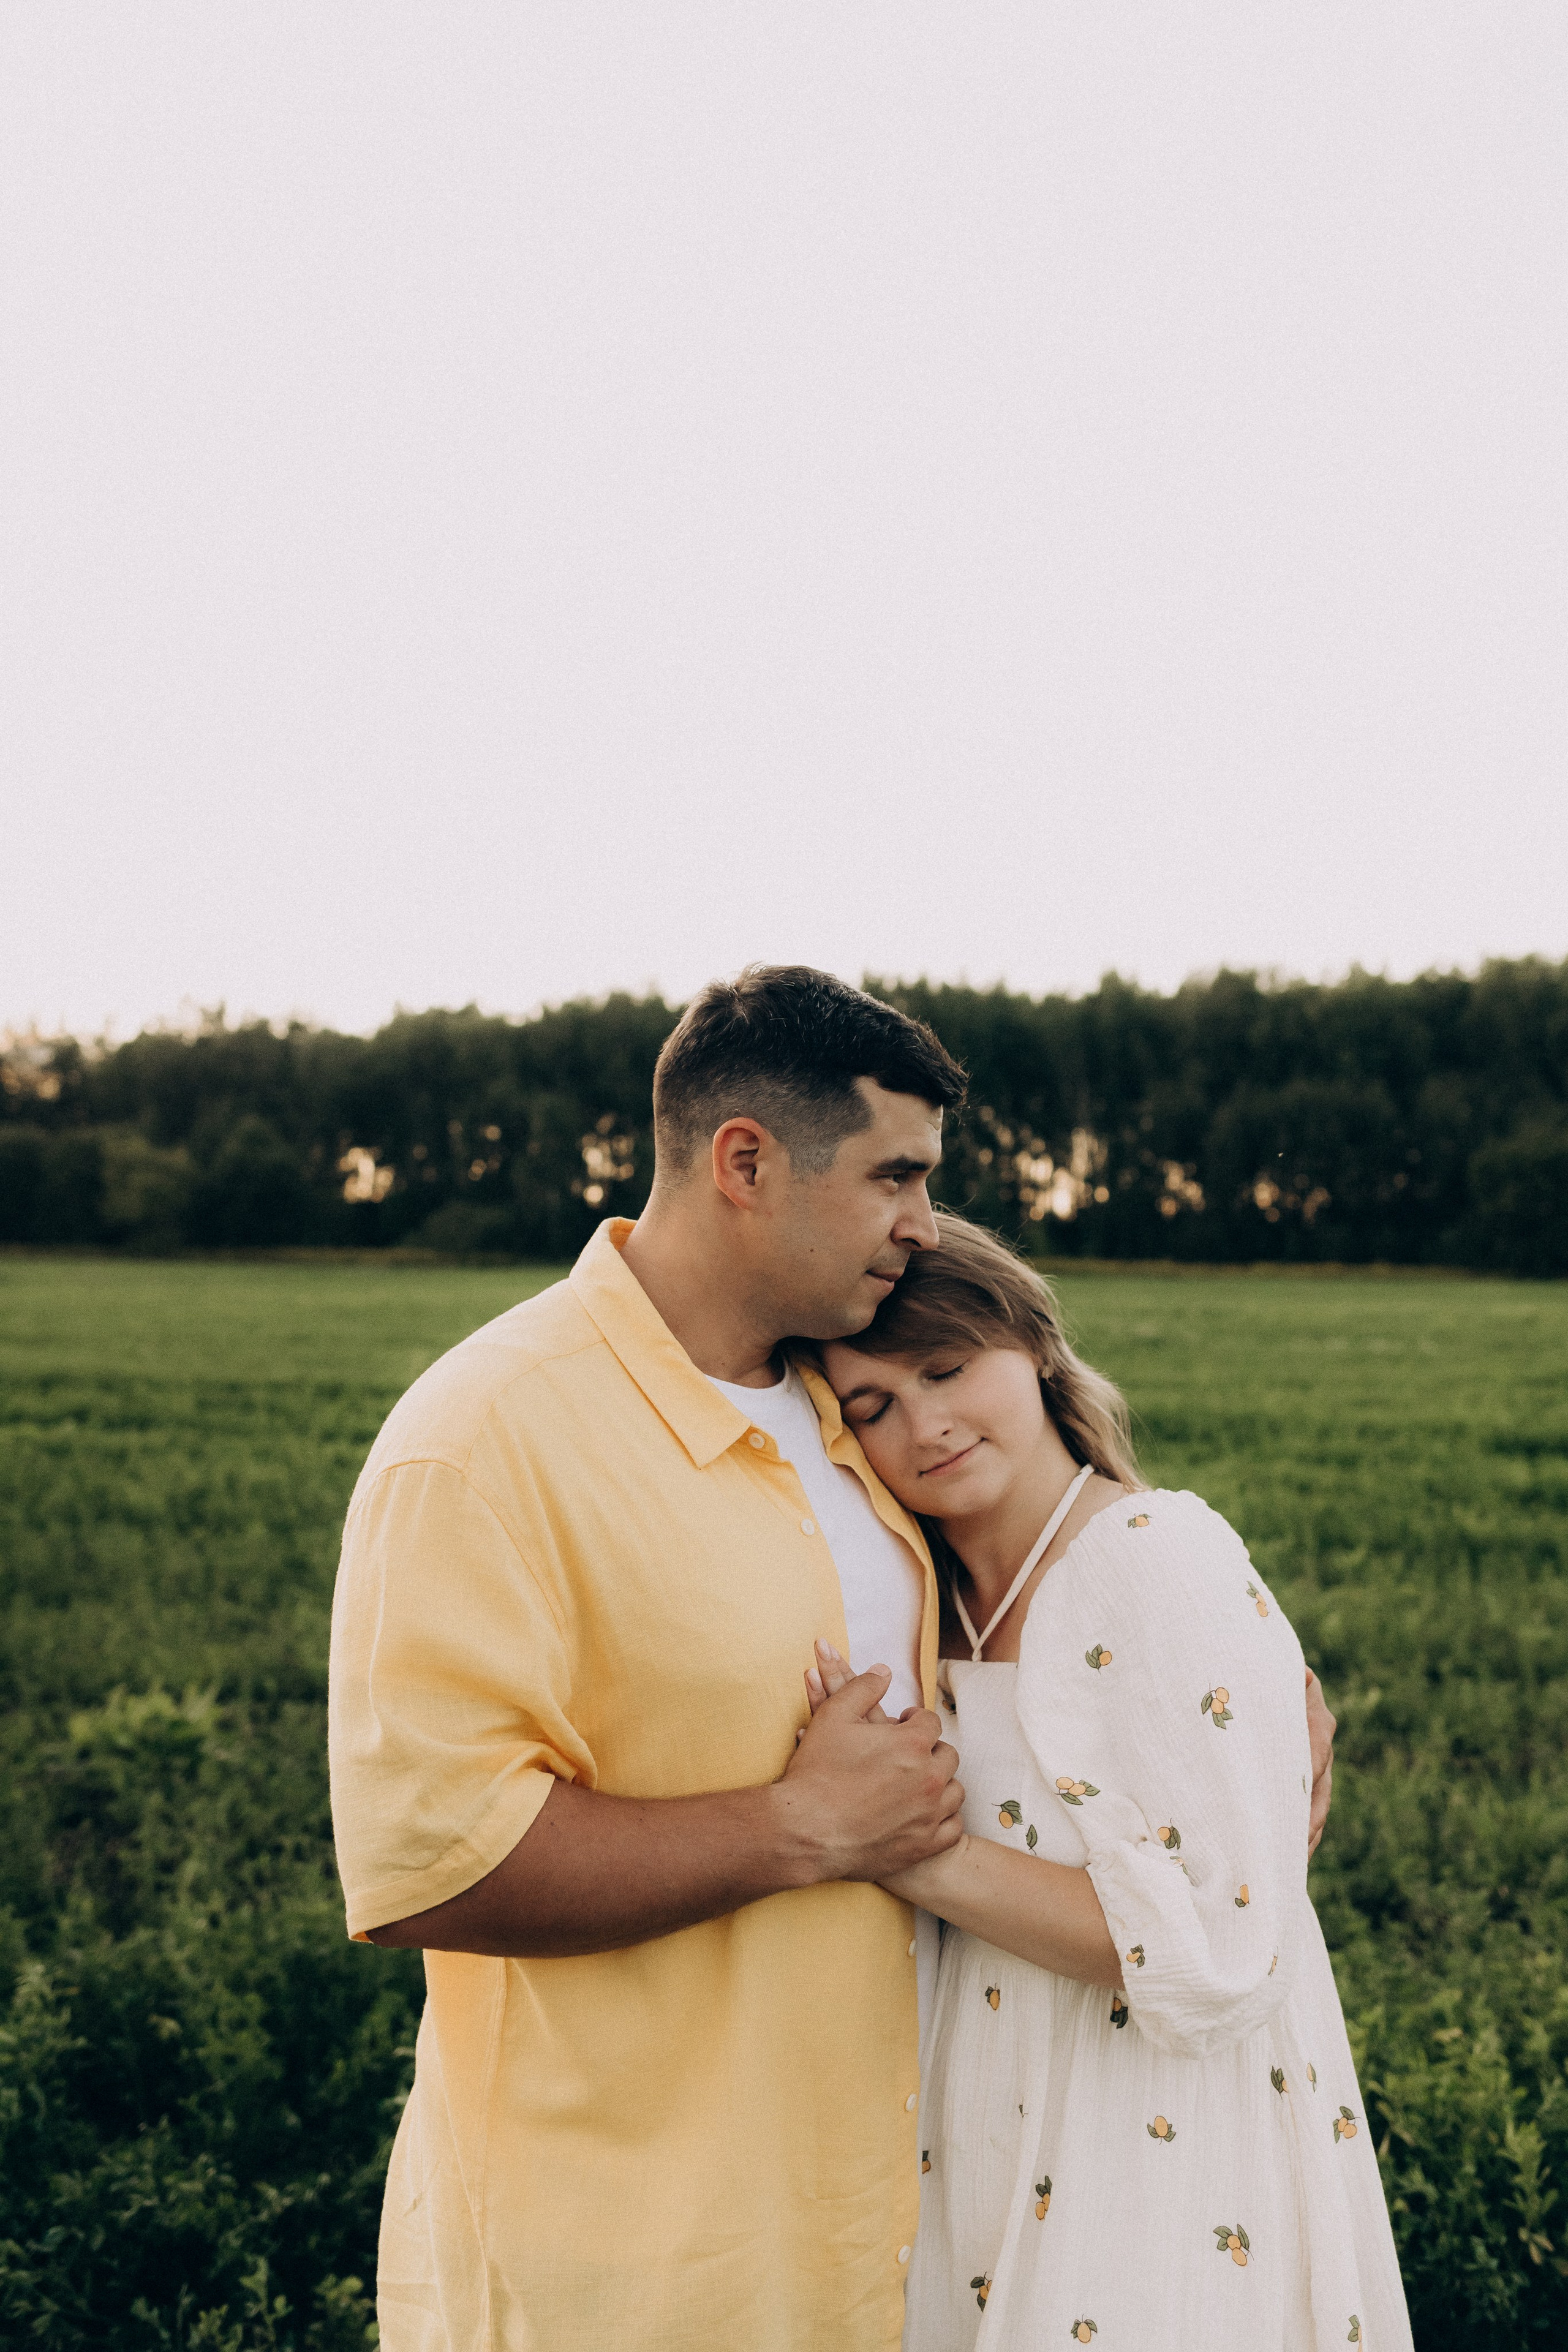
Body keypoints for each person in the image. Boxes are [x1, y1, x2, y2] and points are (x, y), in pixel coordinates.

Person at [328, 962, 1337, 2352]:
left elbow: (1053, 1634)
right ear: (745, 1163)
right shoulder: (486, 1439)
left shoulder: (831, 1393)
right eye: (894, 1176)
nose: (923, 1223)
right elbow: (434, 1866)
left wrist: (1246, 1699)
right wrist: (804, 1827)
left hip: (908, 2211)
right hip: (636, 2241)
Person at [810, 1213, 1409, 2351]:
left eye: (946, 1368)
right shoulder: (915, 1594)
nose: (925, 1423)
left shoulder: (1149, 1554)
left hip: (1149, 2130)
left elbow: (1218, 1953)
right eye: (873, 1406)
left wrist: (900, 1845)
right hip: (977, 2102)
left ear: (1032, 1344)